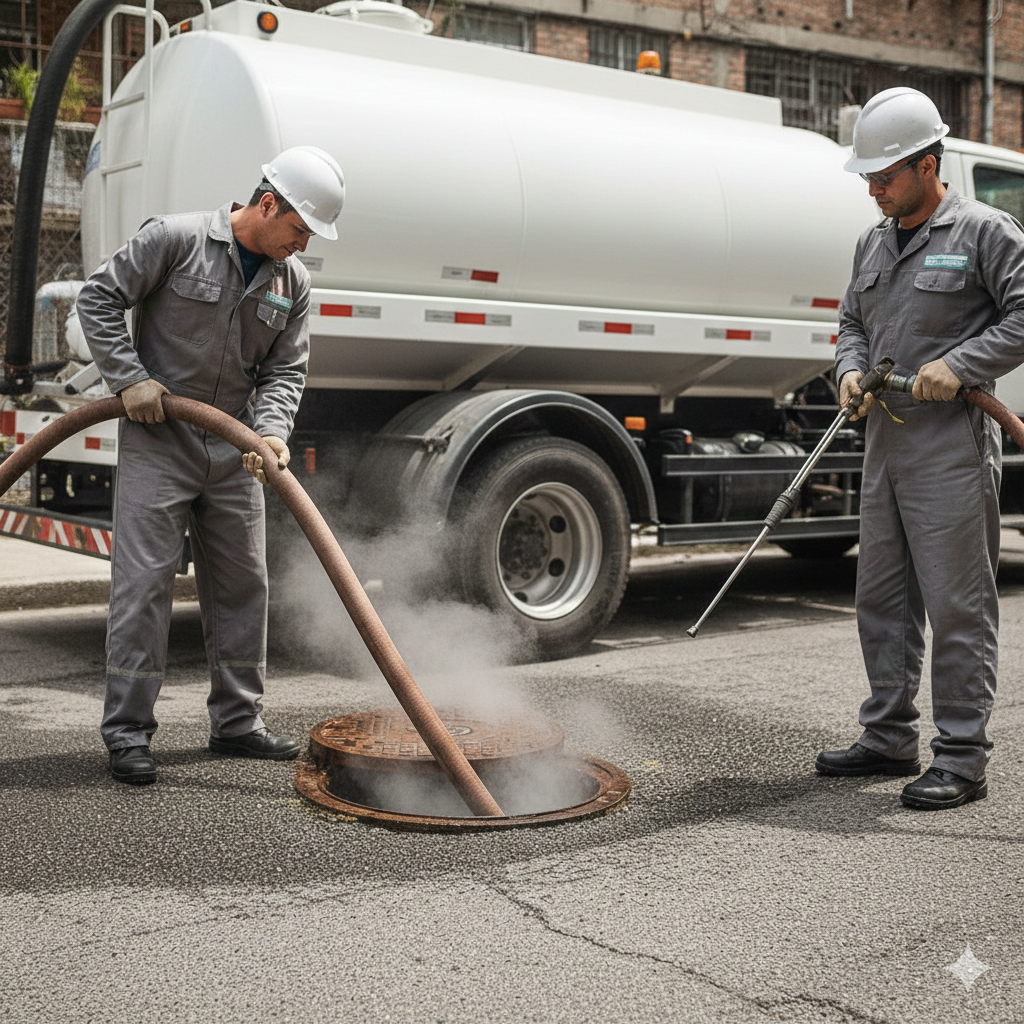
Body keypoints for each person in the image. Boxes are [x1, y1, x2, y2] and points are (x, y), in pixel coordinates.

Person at [76, 146, 346, 784]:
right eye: (298, 230)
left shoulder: (293, 283)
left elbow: (285, 370)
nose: (301, 246)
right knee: (143, 587)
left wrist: (271, 433)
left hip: (233, 448)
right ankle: (128, 735)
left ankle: (237, 723)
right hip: (158, 439)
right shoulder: (175, 239)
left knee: (243, 585)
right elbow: (98, 298)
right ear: (267, 203)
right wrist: (130, 378)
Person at [817, 88, 1024, 809]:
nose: (873, 191)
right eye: (869, 179)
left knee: (958, 605)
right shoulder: (872, 242)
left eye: (884, 178)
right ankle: (888, 735)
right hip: (885, 443)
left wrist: (963, 364)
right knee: (882, 597)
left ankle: (963, 757)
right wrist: (848, 370)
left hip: (951, 447)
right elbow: (851, 323)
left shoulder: (986, 232)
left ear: (929, 166)